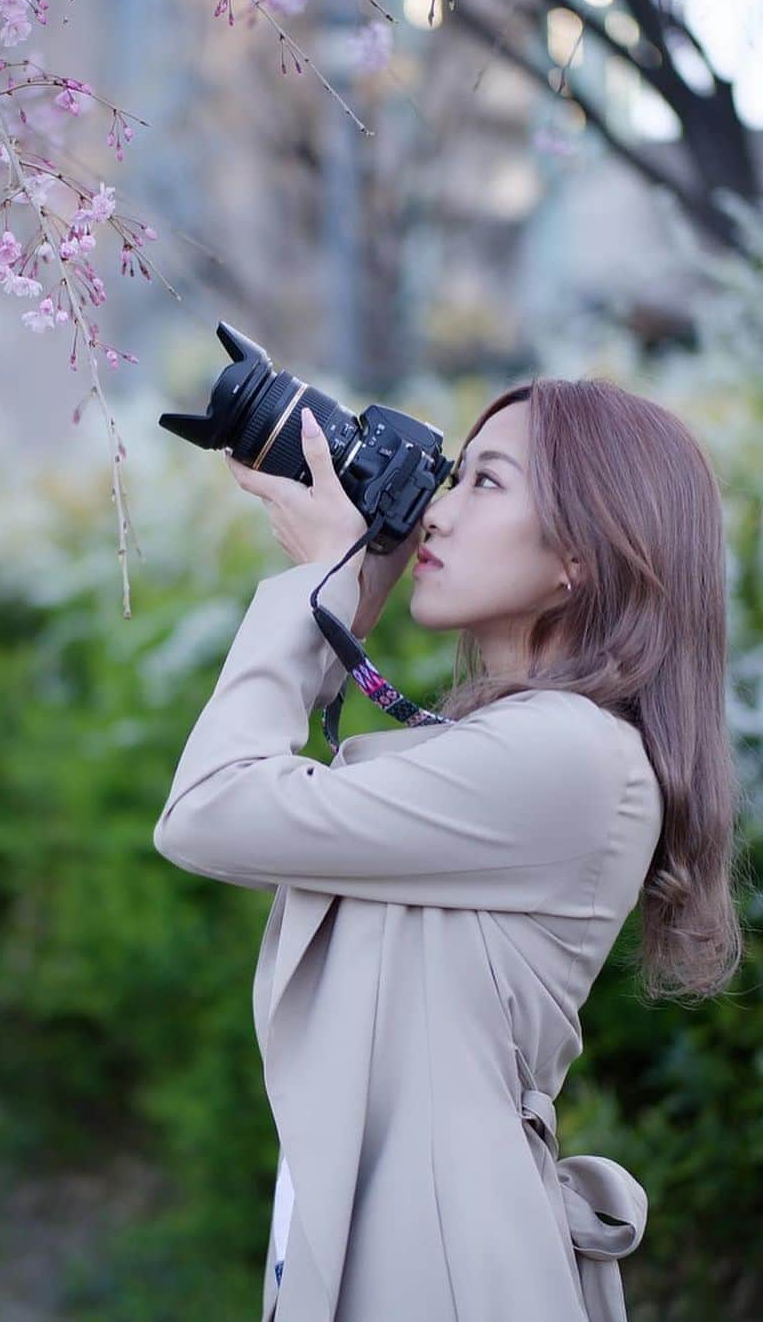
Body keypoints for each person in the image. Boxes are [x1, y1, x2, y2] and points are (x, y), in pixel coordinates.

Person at [153, 378, 746, 1322]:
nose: (437, 510)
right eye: (451, 477)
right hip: (412, 1251)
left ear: (582, 556)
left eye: (487, 485)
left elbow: (211, 809)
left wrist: (323, 586)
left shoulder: (576, 755)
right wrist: (347, 593)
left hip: (446, 1272)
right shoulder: (503, 751)